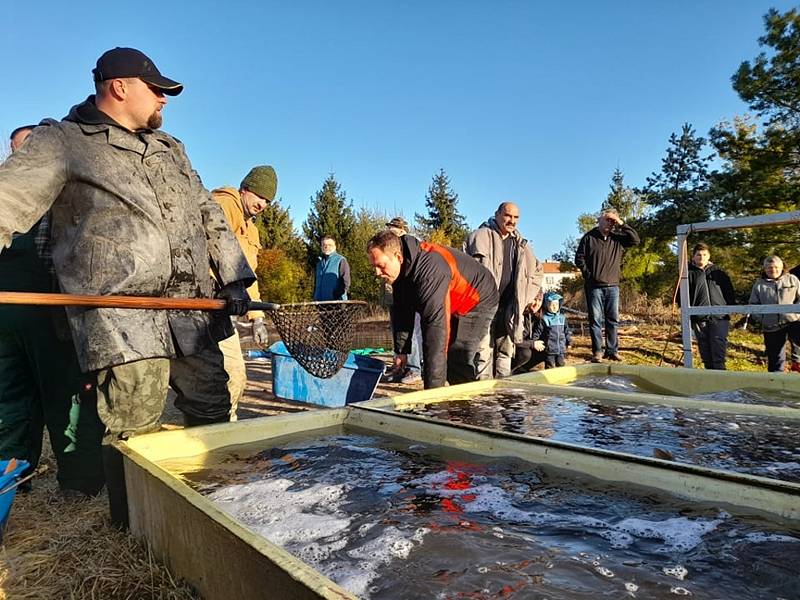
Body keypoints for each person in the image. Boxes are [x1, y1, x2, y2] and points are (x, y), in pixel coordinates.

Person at [0, 47, 255, 524]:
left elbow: (207, 215)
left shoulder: (171, 148)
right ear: (119, 87)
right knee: (134, 424)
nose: (165, 99)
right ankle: (134, 529)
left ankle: (220, 515)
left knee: (213, 407)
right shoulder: (64, 141)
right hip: (121, 316)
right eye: (156, 89)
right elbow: (6, 199)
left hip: (192, 310)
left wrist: (236, 277)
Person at [0, 126, 105, 496]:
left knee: (17, 397)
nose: (18, 157)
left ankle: (17, 480)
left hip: (23, 304)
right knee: (61, 395)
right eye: (16, 150)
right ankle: (76, 481)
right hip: (38, 304)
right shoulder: (50, 191)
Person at [367, 230, 498, 389]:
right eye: (374, 267)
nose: (377, 273)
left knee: (458, 357)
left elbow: (435, 330)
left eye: (381, 266)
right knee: (447, 359)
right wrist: (402, 350)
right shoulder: (400, 273)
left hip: (477, 298)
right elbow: (401, 310)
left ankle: (466, 409)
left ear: (399, 258)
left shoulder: (430, 270)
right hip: (455, 296)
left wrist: (431, 397)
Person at [212, 166, 276, 419]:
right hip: (204, 306)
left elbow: (250, 278)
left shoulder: (252, 230)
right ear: (245, 189)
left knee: (236, 376)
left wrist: (257, 317)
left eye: (268, 201)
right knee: (230, 375)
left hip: (228, 312)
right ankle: (222, 429)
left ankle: (227, 426)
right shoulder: (222, 205)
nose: (263, 204)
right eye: (259, 196)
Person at [464, 202, 543, 378]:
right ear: (497, 214)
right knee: (483, 352)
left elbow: (538, 272)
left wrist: (529, 297)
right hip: (483, 306)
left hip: (510, 308)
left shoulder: (522, 245)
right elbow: (463, 270)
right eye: (508, 216)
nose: (511, 221)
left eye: (516, 217)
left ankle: (503, 396)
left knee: (506, 353)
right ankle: (484, 397)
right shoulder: (479, 237)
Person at [574, 208, 640, 362]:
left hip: (613, 286)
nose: (609, 224)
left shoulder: (616, 238)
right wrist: (589, 275)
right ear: (599, 219)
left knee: (612, 320)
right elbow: (579, 259)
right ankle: (597, 351)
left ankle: (612, 350)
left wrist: (621, 223)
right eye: (607, 220)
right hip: (594, 287)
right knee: (595, 320)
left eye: (612, 221)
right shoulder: (589, 238)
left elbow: (635, 240)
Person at [381, 216, 422, 385]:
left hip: (409, 299)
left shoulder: (409, 247)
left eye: (393, 228)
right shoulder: (388, 248)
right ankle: (401, 365)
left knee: (410, 332)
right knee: (396, 332)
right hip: (392, 297)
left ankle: (414, 368)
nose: (390, 231)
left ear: (402, 230)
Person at [684, 242, 736, 370]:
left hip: (719, 316)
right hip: (699, 317)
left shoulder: (718, 272)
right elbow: (682, 295)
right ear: (693, 256)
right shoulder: (687, 273)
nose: (701, 257)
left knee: (718, 345)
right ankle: (709, 374)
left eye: (704, 254)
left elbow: (728, 291)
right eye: (698, 255)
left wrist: (731, 307)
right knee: (704, 347)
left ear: (709, 256)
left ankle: (721, 377)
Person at [748, 255, 800, 372]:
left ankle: (797, 364)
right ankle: (775, 383)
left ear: (782, 267)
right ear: (765, 269)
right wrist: (763, 319)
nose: (773, 270)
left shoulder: (792, 279)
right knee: (775, 360)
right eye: (769, 268)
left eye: (776, 267)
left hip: (793, 321)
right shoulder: (759, 284)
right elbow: (753, 305)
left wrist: (797, 314)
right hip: (771, 326)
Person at [530, 291, 571, 368]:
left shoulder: (562, 318)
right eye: (552, 305)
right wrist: (534, 341)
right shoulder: (544, 319)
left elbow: (566, 331)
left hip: (561, 348)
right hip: (549, 349)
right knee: (550, 366)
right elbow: (538, 332)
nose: (555, 307)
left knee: (561, 365)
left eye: (556, 304)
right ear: (546, 305)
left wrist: (569, 341)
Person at [510, 293, 546, 374]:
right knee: (526, 353)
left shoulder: (538, 316)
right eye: (534, 299)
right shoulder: (519, 314)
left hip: (527, 343)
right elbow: (515, 340)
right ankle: (512, 369)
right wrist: (532, 344)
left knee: (547, 348)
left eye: (540, 300)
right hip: (516, 347)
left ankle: (523, 368)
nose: (537, 303)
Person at [313, 236, 350, 301]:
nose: (327, 247)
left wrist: (336, 295)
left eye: (330, 245)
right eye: (324, 245)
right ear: (321, 247)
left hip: (337, 303)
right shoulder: (319, 264)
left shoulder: (341, 260)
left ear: (335, 247)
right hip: (320, 303)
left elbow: (346, 282)